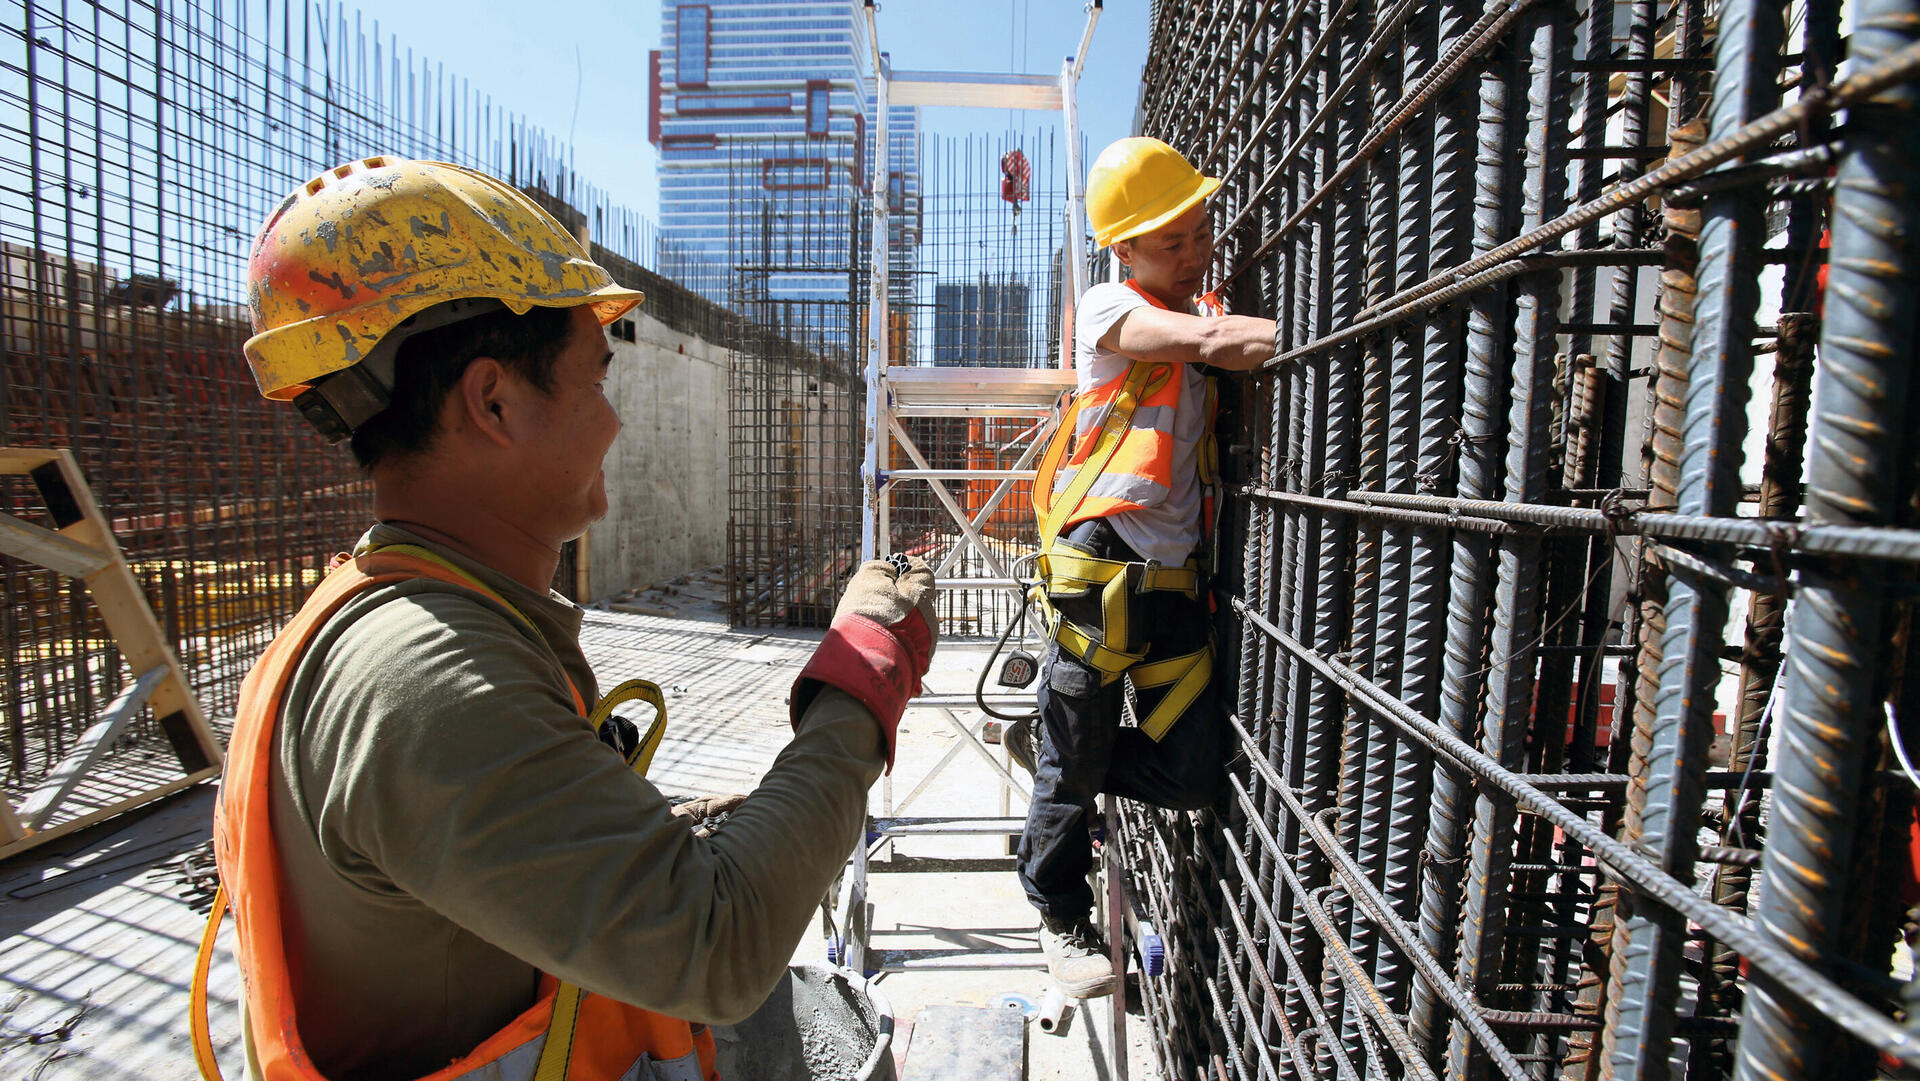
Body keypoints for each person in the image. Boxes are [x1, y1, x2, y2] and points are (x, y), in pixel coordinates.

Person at [191, 156, 936, 1081]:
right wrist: (866, 670)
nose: (613, 422)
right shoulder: (427, 679)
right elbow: (717, 947)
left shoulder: (410, 617)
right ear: (494, 401)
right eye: (593, 379)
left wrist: (653, 825)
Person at [1008, 138, 1277, 998]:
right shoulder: (1105, 309)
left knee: (1192, 769)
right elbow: (1194, 340)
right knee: (1075, 750)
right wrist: (1261, 331)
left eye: (1200, 233)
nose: (1195, 252)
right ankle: (1058, 915)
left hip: (1170, 587)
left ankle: (1057, 758)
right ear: (1123, 249)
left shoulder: (1193, 311)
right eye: (1173, 241)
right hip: (1100, 575)